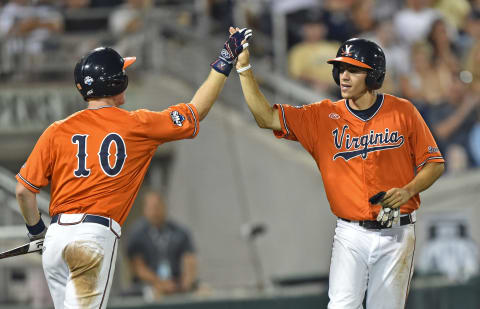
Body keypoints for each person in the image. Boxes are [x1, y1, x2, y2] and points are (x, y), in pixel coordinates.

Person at [14, 26, 252, 308]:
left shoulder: (56, 130)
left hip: (55, 238)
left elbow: (23, 191)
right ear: (117, 82)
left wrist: (37, 232)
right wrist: (225, 59)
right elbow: (195, 110)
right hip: (91, 237)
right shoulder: (137, 125)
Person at [235, 37, 445, 308]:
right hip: (350, 233)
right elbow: (266, 117)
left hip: (396, 232)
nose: (344, 76)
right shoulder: (322, 116)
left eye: (353, 70)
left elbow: (435, 163)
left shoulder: (403, 112)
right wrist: (244, 69)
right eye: (340, 69)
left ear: (373, 75)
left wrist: (409, 190)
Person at [126, 190, 196, 298]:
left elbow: (189, 258)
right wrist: (159, 283)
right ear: (144, 210)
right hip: (147, 287)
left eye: (158, 207)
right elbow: (138, 267)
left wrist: (186, 282)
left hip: (176, 284)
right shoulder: (137, 234)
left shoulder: (179, 231)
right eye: (151, 208)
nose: (155, 212)